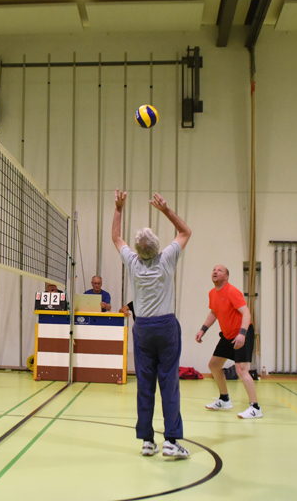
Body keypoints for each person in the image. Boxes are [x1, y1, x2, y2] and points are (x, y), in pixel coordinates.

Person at [112, 189, 191, 459]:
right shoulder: (166, 258)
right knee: (169, 383)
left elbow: (116, 238)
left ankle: (147, 440)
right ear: (157, 247)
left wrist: (119, 209)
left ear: (137, 250)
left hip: (143, 329)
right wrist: (165, 210)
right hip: (166, 327)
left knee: (144, 384)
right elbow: (185, 232)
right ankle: (171, 441)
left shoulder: (133, 262)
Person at [195, 265, 262, 419]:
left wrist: (242, 333)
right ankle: (224, 399)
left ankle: (255, 407)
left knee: (241, 369)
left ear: (226, 277)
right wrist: (203, 329)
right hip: (227, 335)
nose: (215, 271)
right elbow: (214, 313)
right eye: (214, 269)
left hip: (242, 333)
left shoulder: (232, 291)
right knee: (214, 365)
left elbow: (246, 313)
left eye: (220, 270)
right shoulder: (212, 293)